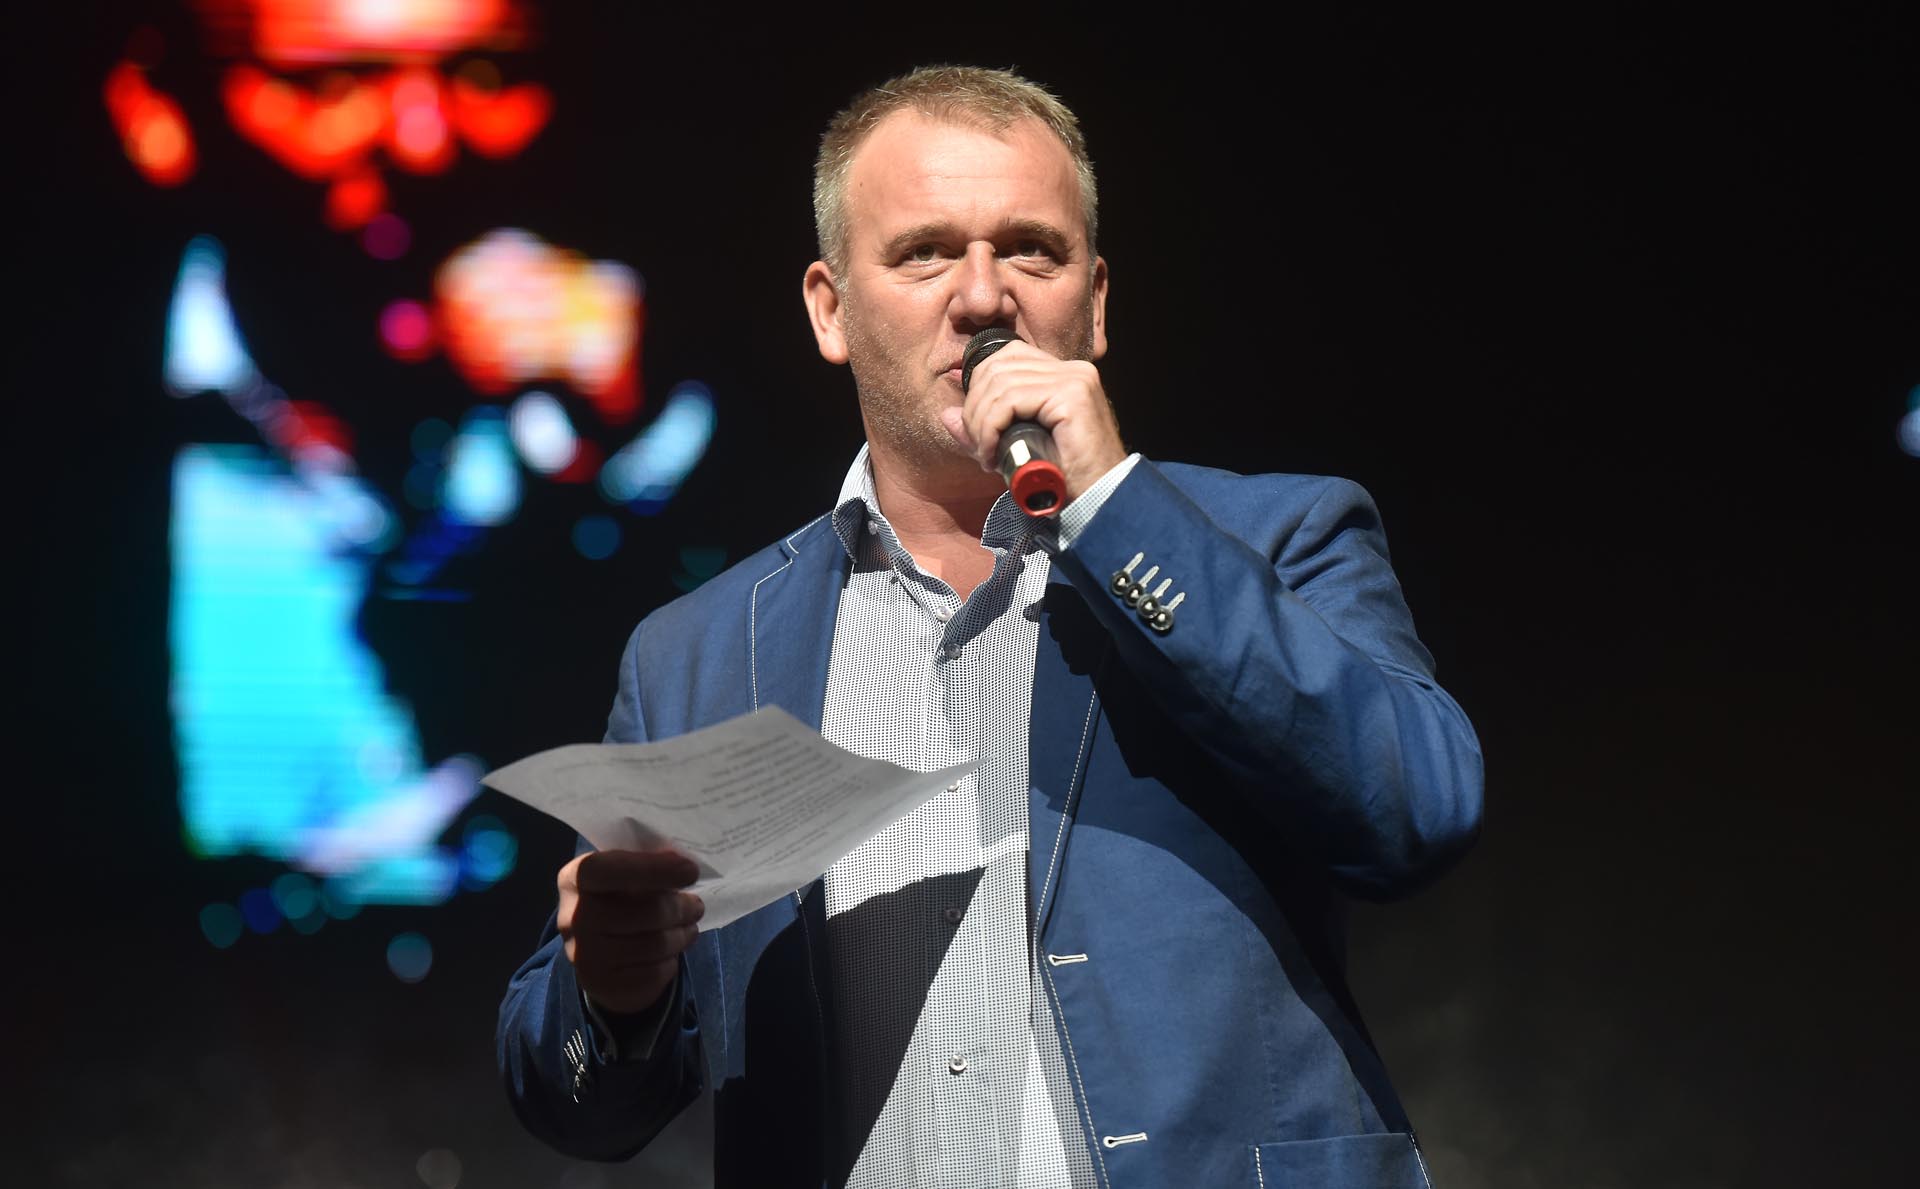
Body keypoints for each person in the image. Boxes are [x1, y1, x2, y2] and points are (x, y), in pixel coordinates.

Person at [498, 65, 1483, 1189]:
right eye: (924, 253)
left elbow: (1421, 806)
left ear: (1095, 303)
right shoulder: (700, 653)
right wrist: (615, 994)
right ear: (830, 309)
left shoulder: (1274, 538)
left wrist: (1116, 509)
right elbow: (573, 1101)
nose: (982, 297)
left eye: (1031, 251)